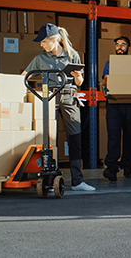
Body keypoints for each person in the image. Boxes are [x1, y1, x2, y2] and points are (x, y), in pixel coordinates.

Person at [23, 23, 96, 191]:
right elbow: (24, 77)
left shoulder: (73, 56)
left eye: (43, 42)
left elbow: (79, 82)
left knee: (75, 137)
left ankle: (77, 181)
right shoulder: (40, 58)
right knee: (49, 139)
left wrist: (78, 77)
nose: (41, 45)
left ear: (53, 41)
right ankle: (50, 179)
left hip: (70, 96)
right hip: (49, 97)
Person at [102, 36, 131, 181]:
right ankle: (112, 168)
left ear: (129, 48)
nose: (119, 47)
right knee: (113, 135)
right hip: (114, 103)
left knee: (129, 135)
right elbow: (105, 78)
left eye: (123, 44)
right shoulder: (110, 63)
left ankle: (127, 167)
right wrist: (106, 85)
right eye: (117, 45)